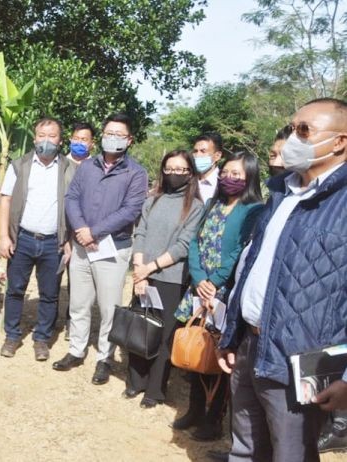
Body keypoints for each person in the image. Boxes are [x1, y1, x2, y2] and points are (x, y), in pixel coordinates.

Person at [219, 98, 347, 460]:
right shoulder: (279, 192)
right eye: (292, 128)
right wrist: (232, 334)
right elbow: (253, 267)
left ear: (340, 142)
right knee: (244, 449)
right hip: (250, 346)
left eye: (305, 131)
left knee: (291, 454)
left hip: (299, 362)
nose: (293, 138)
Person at [172, 151, 263, 442]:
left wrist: (214, 281)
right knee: (198, 350)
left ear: (249, 177)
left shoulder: (254, 210)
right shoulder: (212, 204)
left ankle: (214, 419)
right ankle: (195, 409)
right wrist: (199, 279)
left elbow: (240, 251)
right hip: (198, 290)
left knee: (220, 357)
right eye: (225, 173)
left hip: (224, 292)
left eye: (236, 174)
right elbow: (196, 244)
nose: (228, 178)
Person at [56, 113, 148, 385]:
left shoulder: (136, 173)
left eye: (119, 135)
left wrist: (94, 232)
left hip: (112, 248)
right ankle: (76, 350)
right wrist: (82, 230)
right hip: (83, 247)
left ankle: (104, 358)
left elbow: (130, 210)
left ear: (129, 140)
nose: (113, 138)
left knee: (109, 307)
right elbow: (71, 198)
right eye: (109, 132)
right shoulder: (87, 167)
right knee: (79, 302)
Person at [127, 150, 204, 408]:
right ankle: (135, 381)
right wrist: (139, 270)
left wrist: (149, 268)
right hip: (143, 273)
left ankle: (155, 390)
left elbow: (183, 245)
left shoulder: (195, 207)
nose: (174, 174)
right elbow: (141, 233)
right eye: (169, 169)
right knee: (140, 328)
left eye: (180, 169)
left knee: (164, 335)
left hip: (171, 278)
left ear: (190, 173)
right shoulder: (152, 200)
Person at [0, 117, 71, 360]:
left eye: (52, 136)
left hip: (54, 242)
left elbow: (76, 206)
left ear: (60, 140)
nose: (46, 141)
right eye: (42, 135)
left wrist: (69, 240)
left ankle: (42, 339)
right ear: (34, 138)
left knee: (50, 294)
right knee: (15, 290)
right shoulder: (19, 165)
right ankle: (12, 335)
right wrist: (3, 236)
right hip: (23, 239)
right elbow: (5, 199)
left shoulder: (71, 170)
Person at [60, 122, 96, 340]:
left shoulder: (95, 167)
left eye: (84, 139)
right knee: (53, 282)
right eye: (76, 138)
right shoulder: (60, 164)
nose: (79, 142)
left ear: (92, 143)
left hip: (82, 235)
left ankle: (71, 323)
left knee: (78, 285)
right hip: (58, 231)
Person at [191, 132, 224, 203]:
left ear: (217, 156)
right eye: (195, 151)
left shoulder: (224, 183)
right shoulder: (188, 180)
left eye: (203, 151)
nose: (197, 155)